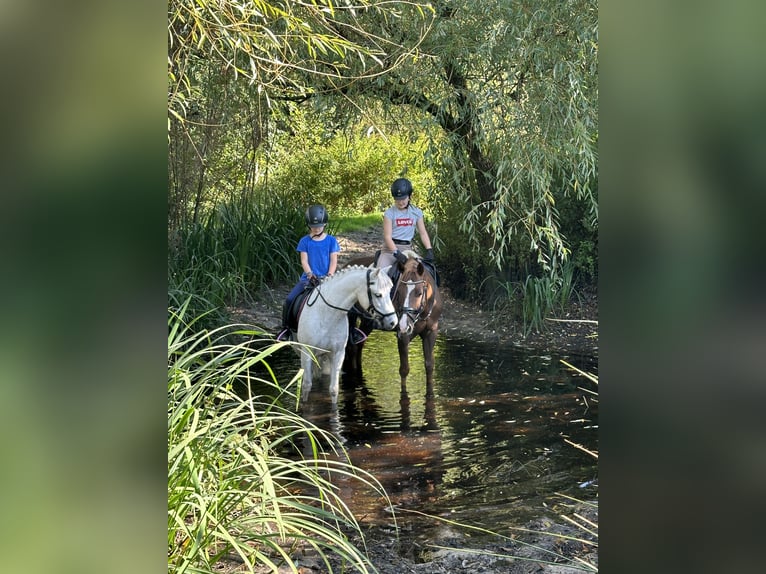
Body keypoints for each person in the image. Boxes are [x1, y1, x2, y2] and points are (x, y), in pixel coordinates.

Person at [277, 204, 340, 342]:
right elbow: (304, 261)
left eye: (319, 226)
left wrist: (329, 275)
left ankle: (352, 331)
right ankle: (286, 329)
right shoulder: (304, 241)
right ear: (308, 225)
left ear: (325, 225)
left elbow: (333, 261)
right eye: (313, 226)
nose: (317, 228)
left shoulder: (331, 241)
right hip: (308, 279)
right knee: (289, 300)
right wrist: (310, 274)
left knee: (346, 301)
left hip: (327, 279)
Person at [377, 177, 434, 269]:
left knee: (425, 272)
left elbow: (423, 233)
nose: (401, 202)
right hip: (389, 250)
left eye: (403, 198)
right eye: (397, 199)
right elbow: (387, 237)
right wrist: (396, 253)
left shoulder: (417, 212)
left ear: (409, 196)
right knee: (380, 274)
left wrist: (429, 249)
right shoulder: (389, 213)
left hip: (407, 249)